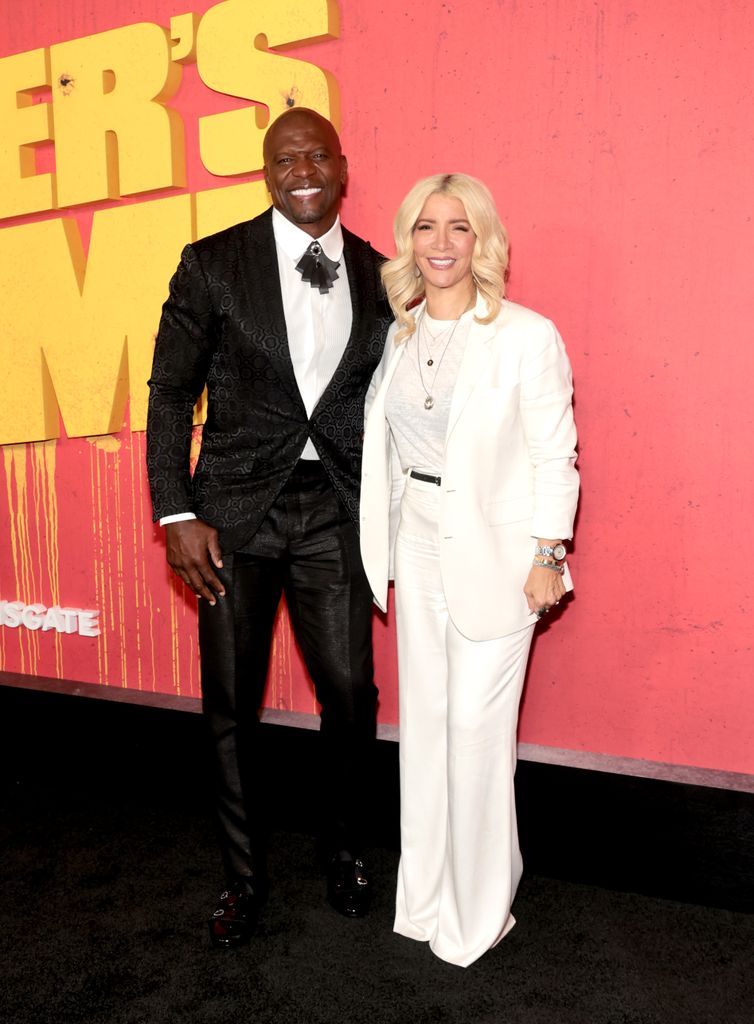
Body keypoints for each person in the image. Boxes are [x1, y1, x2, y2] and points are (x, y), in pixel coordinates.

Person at [146, 107, 391, 948]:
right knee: (231, 704)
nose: (302, 170)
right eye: (284, 159)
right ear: (266, 172)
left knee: (352, 696)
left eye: (316, 154)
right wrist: (176, 510)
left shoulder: (381, 273)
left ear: (342, 165)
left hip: (336, 511)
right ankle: (244, 882)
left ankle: (348, 850)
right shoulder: (213, 262)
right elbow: (171, 391)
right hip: (232, 518)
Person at [359, 173, 579, 967]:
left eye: (459, 227)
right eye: (427, 226)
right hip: (413, 544)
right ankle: (424, 903)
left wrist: (548, 553)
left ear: (483, 239)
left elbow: (558, 454)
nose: (442, 242)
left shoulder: (526, 334)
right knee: (423, 730)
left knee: (476, 734)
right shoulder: (400, 332)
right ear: (407, 240)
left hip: (497, 555)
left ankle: (478, 914)